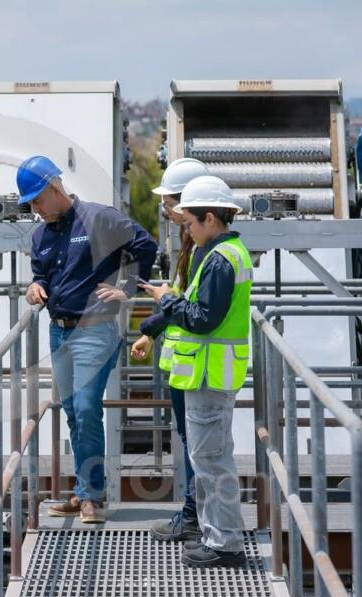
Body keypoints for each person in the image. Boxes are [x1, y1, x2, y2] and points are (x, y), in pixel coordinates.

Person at [19, 155, 158, 524]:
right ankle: (84, 491)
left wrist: (128, 288)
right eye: (30, 205)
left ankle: (92, 496)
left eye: (37, 200)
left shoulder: (99, 218)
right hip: (59, 330)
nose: (35, 210)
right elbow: (42, 275)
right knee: (73, 412)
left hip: (95, 329)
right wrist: (34, 287)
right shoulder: (40, 235)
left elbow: (146, 246)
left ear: (55, 187)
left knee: (85, 408)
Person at [139, 175, 252, 568]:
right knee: (209, 458)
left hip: (208, 376)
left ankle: (226, 545)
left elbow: (202, 319)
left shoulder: (220, 260)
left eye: (189, 223)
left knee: (212, 461)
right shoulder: (229, 253)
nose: (186, 230)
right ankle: (213, 536)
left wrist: (166, 300)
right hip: (211, 374)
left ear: (210, 218)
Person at [129, 158, 210, 542]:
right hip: (186, 362)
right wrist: (150, 331)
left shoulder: (202, 250)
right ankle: (195, 514)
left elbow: (187, 305)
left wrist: (161, 304)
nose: (165, 210)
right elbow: (181, 298)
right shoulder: (191, 245)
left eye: (170, 203)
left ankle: (196, 518)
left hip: (198, 364)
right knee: (192, 441)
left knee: (198, 444)